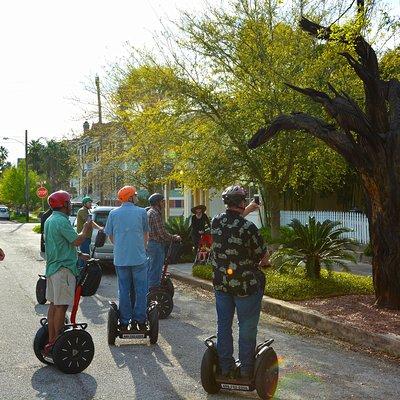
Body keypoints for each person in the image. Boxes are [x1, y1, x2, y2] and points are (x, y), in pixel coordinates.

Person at [210, 185, 271, 381]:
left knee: (223, 326)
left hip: (222, 284)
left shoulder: (216, 222)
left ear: (226, 202)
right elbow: (264, 256)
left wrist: (249, 210)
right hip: (246, 287)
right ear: (242, 202)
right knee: (246, 327)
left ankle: (225, 368)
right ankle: (246, 370)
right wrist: (265, 263)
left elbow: (232, 224)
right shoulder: (249, 228)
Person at [43, 190, 92, 355]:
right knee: (61, 306)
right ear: (64, 205)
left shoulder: (50, 220)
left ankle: (51, 340)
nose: (71, 205)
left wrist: (78, 254)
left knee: (53, 305)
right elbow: (77, 240)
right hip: (63, 270)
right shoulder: (62, 221)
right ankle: (57, 342)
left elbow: (59, 244)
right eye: (69, 202)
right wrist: (86, 229)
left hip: (52, 268)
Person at [104, 186, 149, 332]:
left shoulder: (113, 213)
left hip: (121, 258)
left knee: (123, 290)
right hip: (139, 258)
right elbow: (145, 235)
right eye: (135, 195)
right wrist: (139, 248)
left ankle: (124, 321)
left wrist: (121, 246)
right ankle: (140, 320)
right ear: (130, 197)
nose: (136, 197)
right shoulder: (142, 212)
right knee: (141, 290)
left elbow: (110, 236)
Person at [147, 193, 181, 290]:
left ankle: (151, 290)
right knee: (156, 269)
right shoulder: (155, 214)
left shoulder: (150, 212)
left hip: (151, 244)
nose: (164, 203)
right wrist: (174, 237)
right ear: (157, 202)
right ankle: (154, 291)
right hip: (155, 245)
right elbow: (161, 233)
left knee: (152, 268)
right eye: (162, 201)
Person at [76, 196, 102, 267]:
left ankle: (82, 270)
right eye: (89, 202)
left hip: (87, 237)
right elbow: (90, 222)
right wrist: (100, 228)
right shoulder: (82, 211)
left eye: (91, 202)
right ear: (84, 203)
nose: (91, 204)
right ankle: (82, 272)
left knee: (86, 255)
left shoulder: (87, 211)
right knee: (84, 256)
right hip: (83, 238)